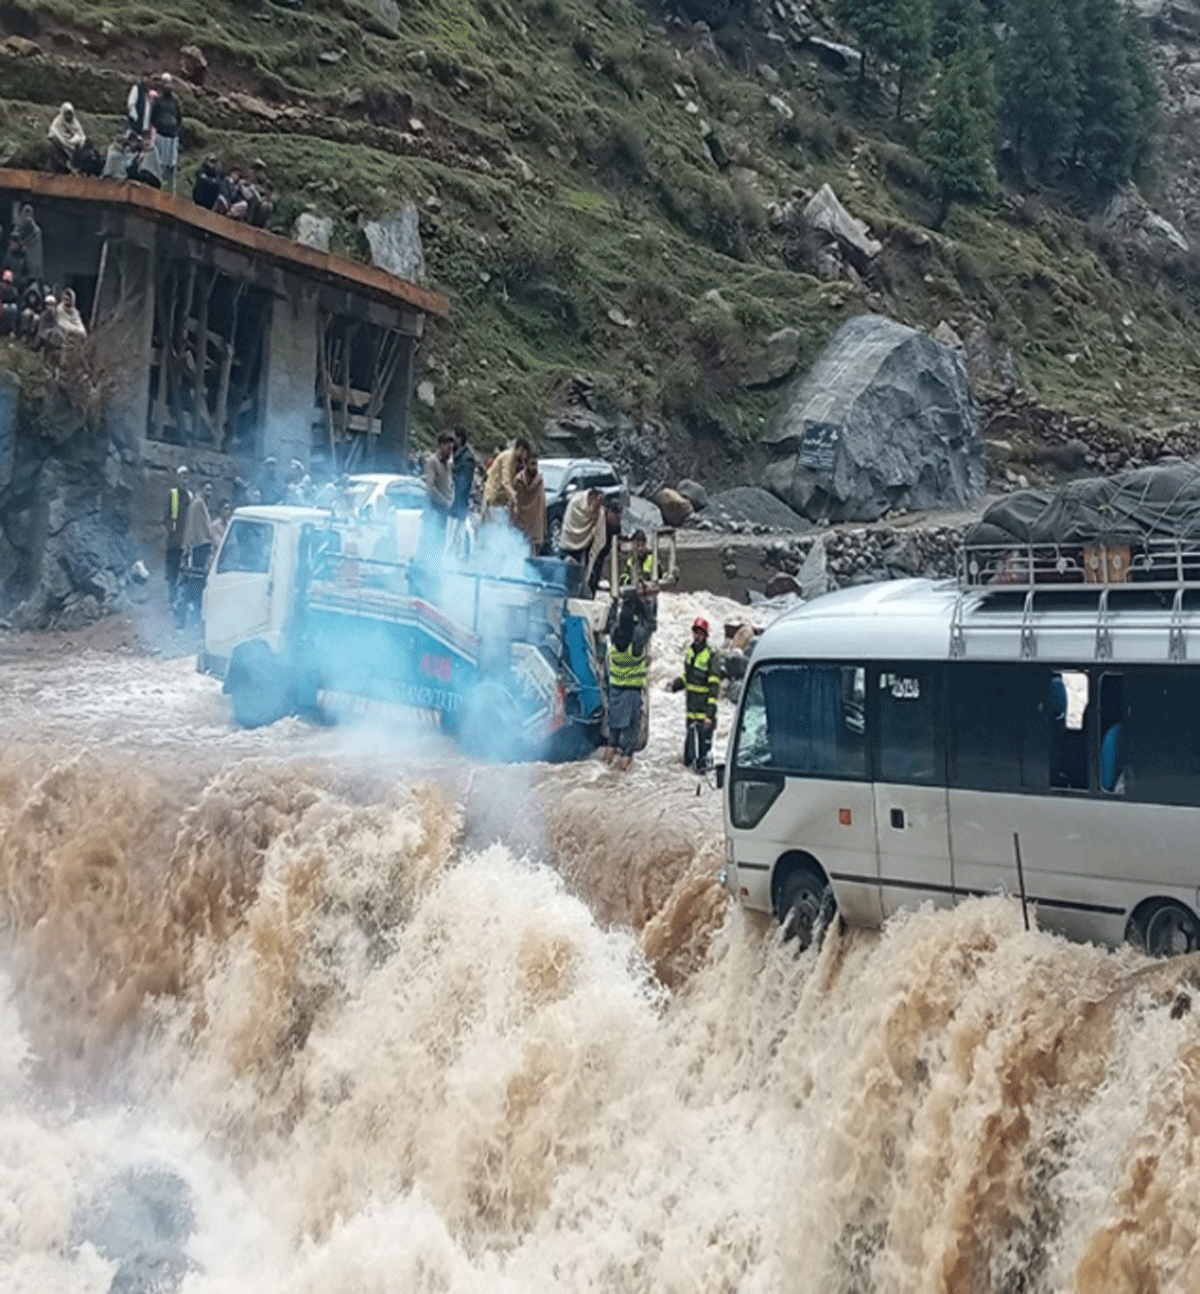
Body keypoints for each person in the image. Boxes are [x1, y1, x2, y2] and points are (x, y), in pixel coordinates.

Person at [605, 590, 653, 771]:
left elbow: (608, 622)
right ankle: (624, 772)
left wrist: (614, 604)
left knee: (613, 732)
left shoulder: (614, 636)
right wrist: (646, 604)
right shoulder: (637, 641)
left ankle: (606, 766)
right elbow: (650, 624)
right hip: (632, 691)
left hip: (615, 689)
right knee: (629, 740)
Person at [669, 616, 722, 771]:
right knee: (688, 760)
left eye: (700, 633)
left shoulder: (711, 655)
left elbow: (714, 688)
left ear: (705, 635)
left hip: (704, 714)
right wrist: (676, 685)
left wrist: (709, 716)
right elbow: (688, 677)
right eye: (695, 632)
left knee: (701, 762)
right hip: (691, 712)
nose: (697, 636)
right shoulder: (691, 652)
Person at [178, 479, 215, 627]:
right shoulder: (198, 504)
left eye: (211, 490)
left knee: (195, 584)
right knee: (195, 584)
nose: (209, 493)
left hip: (198, 546)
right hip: (199, 548)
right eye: (207, 489)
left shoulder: (198, 503)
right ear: (200, 489)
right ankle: (185, 617)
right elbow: (204, 528)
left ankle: (187, 617)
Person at [558, 487, 607, 595]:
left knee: (578, 576)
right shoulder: (576, 502)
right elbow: (568, 524)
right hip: (567, 544)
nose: (597, 507)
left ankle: (575, 595)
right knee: (562, 574)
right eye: (597, 502)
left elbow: (600, 536)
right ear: (591, 497)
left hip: (582, 546)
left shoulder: (599, 511)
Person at [421, 430, 455, 561]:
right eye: (448, 447)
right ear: (440, 445)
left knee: (440, 543)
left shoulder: (448, 464)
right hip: (433, 509)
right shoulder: (432, 462)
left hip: (443, 511)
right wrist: (444, 501)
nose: (450, 451)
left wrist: (451, 498)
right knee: (430, 543)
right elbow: (430, 488)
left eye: (452, 448)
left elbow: (448, 484)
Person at [482, 435, 530, 518]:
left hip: (500, 500)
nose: (524, 457)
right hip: (493, 497)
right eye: (524, 453)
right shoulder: (508, 457)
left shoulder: (515, 461)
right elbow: (506, 482)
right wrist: (514, 497)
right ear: (520, 450)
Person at [150, 73, 181, 193]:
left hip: (172, 136)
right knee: (160, 164)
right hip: (161, 135)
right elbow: (153, 117)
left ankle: (171, 192)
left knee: (172, 166)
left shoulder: (175, 101)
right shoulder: (158, 101)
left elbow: (179, 117)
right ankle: (159, 189)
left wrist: (175, 129)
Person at [447, 425, 476, 553]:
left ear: (459, 439)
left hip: (458, 507)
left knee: (455, 543)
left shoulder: (466, 459)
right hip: (454, 506)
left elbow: (463, 485)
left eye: (453, 439)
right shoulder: (457, 456)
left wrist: (453, 498)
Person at [164, 465, 191, 600]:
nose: (184, 479)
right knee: (173, 570)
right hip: (174, 541)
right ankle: (172, 597)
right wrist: (172, 531)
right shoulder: (172, 494)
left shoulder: (189, 496)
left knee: (186, 570)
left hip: (186, 541)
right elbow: (167, 516)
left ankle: (181, 599)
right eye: (182, 476)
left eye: (186, 476)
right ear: (177, 478)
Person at [511, 450, 546, 554]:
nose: (535, 467)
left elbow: (541, 504)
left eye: (536, 464)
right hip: (521, 523)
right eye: (532, 464)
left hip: (535, 524)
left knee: (533, 556)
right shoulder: (518, 480)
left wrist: (543, 529)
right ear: (526, 464)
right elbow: (514, 503)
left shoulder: (540, 481)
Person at [48, 102, 86, 170]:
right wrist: (63, 140)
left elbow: (81, 136)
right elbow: (53, 132)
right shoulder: (58, 121)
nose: (68, 116)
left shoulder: (75, 123)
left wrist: (74, 140)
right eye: (66, 114)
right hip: (61, 142)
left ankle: (75, 163)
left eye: (70, 114)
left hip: (72, 144)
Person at [15, 205, 43, 286]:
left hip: (31, 264)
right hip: (18, 264)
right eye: (26, 213)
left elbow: (35, 248)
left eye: (29, 213)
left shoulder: (36, 231)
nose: (28, 216)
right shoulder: (18, 230)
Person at [0, 270, 18, 336]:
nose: (7, 283)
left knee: (13, 307)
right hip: (1, 305)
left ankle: (11, 330)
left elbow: (15, 299)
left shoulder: (13, 289)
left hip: (9, 305)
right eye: (6, 281)